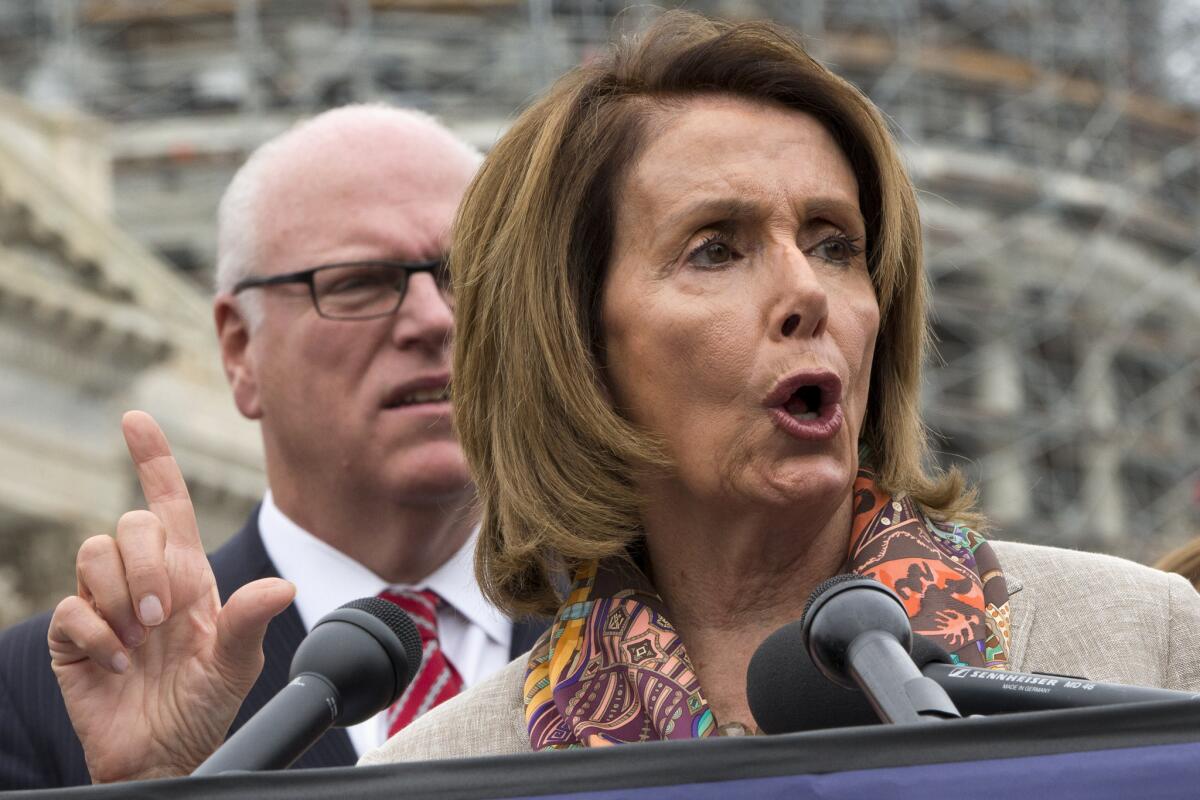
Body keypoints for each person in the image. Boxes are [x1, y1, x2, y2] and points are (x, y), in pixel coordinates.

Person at [49, 12, 1200, 780]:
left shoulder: (1144, 643)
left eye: (837, 243)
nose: (806, 292)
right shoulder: (441, 770)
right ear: (573, 343)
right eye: (716, 248)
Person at [0, 105, 542, 789]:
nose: (436, 320)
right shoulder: (38, 692)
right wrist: (158, 786)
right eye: (358, 283)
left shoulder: (659, 633)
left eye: (466, 275)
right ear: (238, 351)